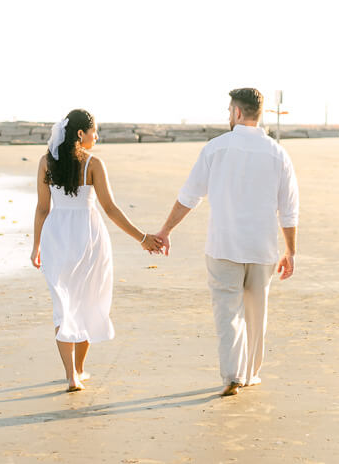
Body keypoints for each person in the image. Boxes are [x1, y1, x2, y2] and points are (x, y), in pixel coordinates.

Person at [156, 88, 300, 396]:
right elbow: (288, 210)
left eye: (228, 111)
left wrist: (166, 230)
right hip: (262, 248)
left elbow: (189, 197)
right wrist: (291, 250)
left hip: (223, 246)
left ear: (236, 113)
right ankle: (250, 373)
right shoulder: (278, 153)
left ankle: (232, 374)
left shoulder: (215, 148)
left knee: (227, 313)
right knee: (256, 313)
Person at [31, 108, 163, 392]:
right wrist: (142, 238)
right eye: (94, 131)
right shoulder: (93, 164)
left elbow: (43, 209)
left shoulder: (46, 162)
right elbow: (111, 210)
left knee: (63, 304)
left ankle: (72, 375)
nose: (97, 136)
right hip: (89, 237)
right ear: (81, 133)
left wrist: (36, 246)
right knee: (88, 300)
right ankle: (78, 369)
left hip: (56, 237)